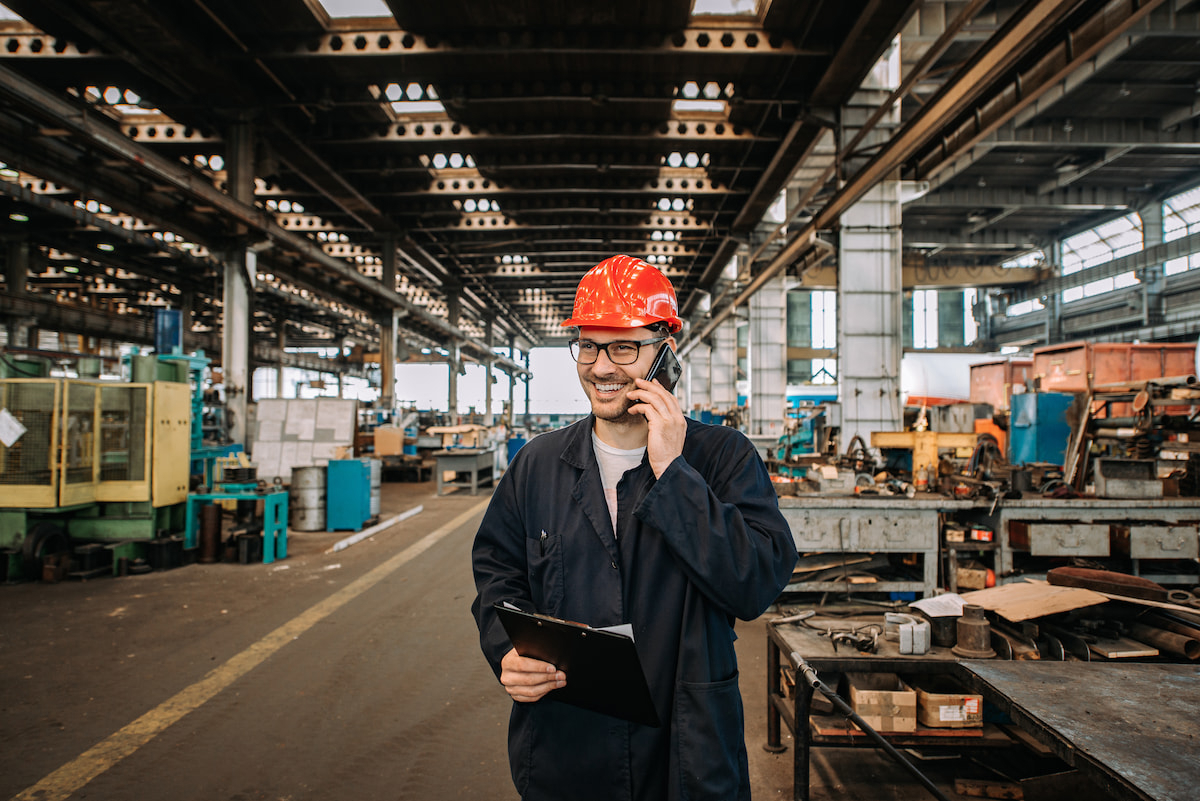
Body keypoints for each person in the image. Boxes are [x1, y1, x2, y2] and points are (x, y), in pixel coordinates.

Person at [471, 254, 797, 801]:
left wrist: (674, 473)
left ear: (665, 354)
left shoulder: (722, 460)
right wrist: (505, 648)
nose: (601, 367)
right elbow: (497, 573)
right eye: (589, 346)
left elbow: (756, 583)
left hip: (684, 747)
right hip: (569, 744)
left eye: (623, 347)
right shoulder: (537, 465)